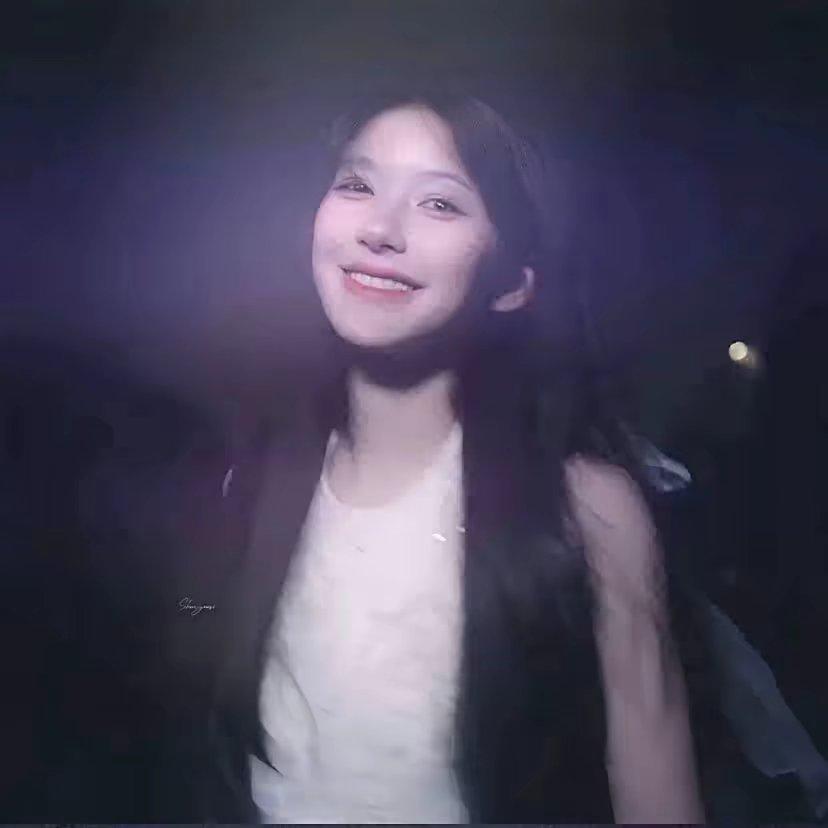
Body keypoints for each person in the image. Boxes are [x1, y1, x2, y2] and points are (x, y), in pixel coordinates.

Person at [157, 86, 709, 825]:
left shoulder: (588, 507)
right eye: (357, 185)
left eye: (440, 203)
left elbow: (654, 779)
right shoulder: (256, 478)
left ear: (513, 285)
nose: (380, 229)